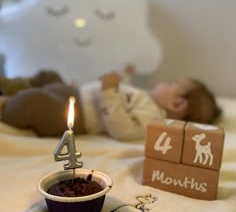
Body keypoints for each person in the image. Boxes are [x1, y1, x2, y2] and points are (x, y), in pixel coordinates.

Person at [0, 70, 221, 139]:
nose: (164, 82)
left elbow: (121, 129)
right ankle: (15, 87)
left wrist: (108, 91)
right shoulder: (146, 100)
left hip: (76, 117)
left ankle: (9, 106)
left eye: (173, 83)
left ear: (177, 103)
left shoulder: (152, 117)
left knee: (35, 102)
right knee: (49, 76)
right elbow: (125, 98)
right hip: (76, 93)